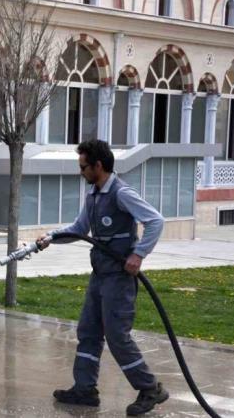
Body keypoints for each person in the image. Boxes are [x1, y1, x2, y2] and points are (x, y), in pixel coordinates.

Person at [36, 139, 168, 416]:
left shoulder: (121, 193)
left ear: (98, 165)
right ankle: (84, 389)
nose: (81, 172)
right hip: (100, 276)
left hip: (118, 278)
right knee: (88, 332)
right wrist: (51, 237)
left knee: (117, 336)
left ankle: (150, 388)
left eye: (84, 167)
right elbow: (80, 228)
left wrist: (139, 253)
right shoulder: (94, 195)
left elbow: (155, 220)